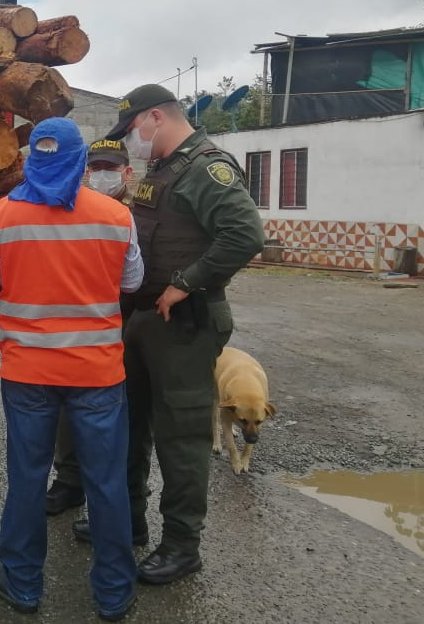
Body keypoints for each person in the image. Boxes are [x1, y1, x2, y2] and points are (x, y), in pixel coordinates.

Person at [0, 118, 143, 622]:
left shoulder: (0, 217)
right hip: (98, 376)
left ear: (31, 161)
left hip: (28, 374)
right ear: (81, 162)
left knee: (27, 479)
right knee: (106, 482)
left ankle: (21, 583)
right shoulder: (115, 216)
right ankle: (113, 591)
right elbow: (133, 280)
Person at [102, 83, 265, 585]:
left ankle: (181, 546)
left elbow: (245, 235)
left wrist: (185, 284)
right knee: (130, 425)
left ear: (155, 117)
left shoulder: (206, 167)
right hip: (145, 319)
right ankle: (129, 524)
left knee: (181, 437)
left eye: (132, 130)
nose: (131, 141)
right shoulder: (164, 168)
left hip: (184, 324)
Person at [47, 138, 136, 515]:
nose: (102, 176)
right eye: (96, 169)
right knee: (70, 411)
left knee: (123, 416)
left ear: (127, 173)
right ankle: (69, 481)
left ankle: (122, 501)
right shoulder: (73, 209)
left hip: (134, 320)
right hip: (85, 330)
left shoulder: (140, 211)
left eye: (110, 170)